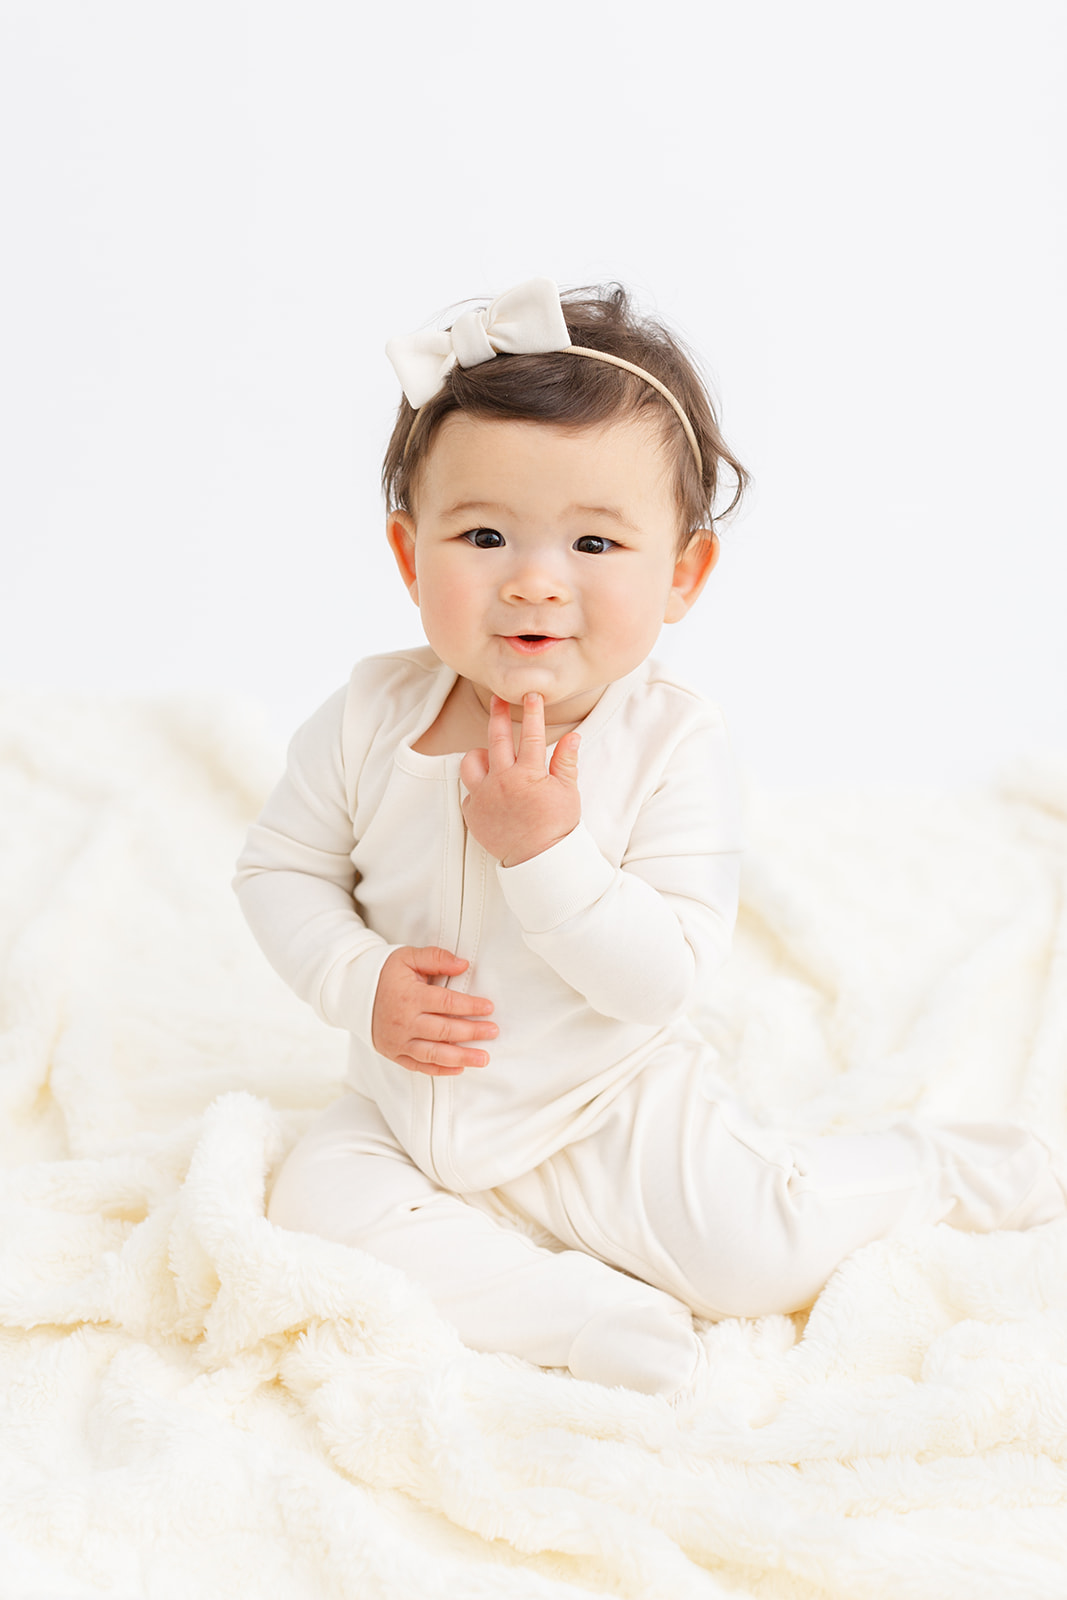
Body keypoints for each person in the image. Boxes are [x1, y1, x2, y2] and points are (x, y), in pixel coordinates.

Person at [234, 278, 1066, 1396]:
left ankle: (947, 1169)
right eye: (482, 533)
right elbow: (278, 870)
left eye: (592, 541)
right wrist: (356, 975)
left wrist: (544, 852)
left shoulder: (668, 744)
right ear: (406, 554)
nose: (534, 579)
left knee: (749, 1252)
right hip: (404, 1109)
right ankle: (578, 1312)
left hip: (603, 1102)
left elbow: (658, 977)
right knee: (314, 1207)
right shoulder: (368, 717)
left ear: (680, 574)